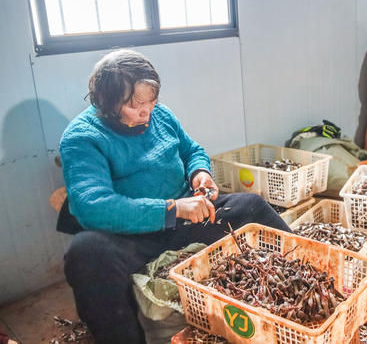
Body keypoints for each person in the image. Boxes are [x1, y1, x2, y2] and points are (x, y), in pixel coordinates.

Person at [59, 49, 290, 343]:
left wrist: (199, 173)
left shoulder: (161, 116)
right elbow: (91, 205)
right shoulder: (83, 137)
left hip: (183, 222)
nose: (147, 111)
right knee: (84, 253)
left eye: (151, 101)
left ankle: (318, 273)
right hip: (131, 237)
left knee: (251, 206)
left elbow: (192, 150)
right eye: (134, 105)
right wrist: (172, 208)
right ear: (106, 102)